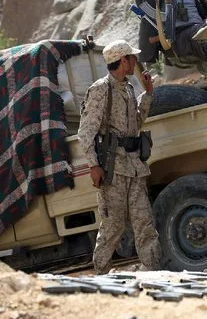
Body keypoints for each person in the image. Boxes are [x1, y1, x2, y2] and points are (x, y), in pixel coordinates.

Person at [77, 39, 162, 274]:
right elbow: (85, 133)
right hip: (113, 169)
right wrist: (94, 166)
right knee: (112, 227)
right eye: (132, 58)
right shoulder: (100, 90)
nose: (135, 61)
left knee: (144, 223)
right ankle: (101, 276)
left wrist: (147, 94)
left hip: (134, 166)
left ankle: (154, 272)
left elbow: (136, 122)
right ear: (123, 61)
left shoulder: (128, 88)